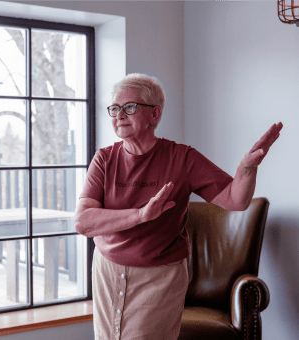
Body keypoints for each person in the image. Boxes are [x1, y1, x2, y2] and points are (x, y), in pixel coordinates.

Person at [74, 73, 283, 340]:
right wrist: (139, 215)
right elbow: (83, 222)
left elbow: (236, 200)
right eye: (114, 108)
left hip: (159, 278)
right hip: (107, 271)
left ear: (154, 114)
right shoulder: (104, 159)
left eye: (129, 107)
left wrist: (247, 170)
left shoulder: (182, 158)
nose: (119, 115)